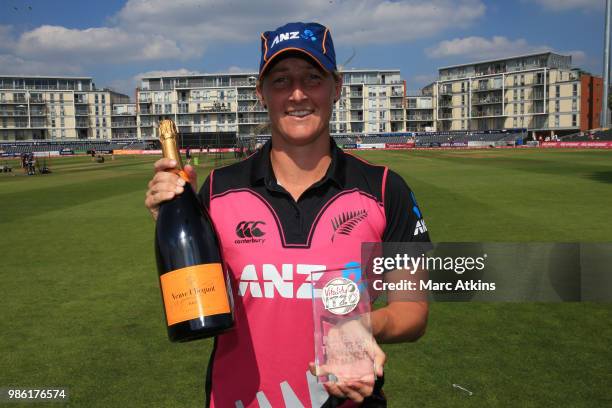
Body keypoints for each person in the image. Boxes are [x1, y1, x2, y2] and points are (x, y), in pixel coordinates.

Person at [145, 22, 430, 407]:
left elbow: (412, 310)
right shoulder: (217, 190)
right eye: (281, 81)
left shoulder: (384, 188)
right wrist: (172, 213)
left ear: (337, 87)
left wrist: (365, 325)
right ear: (262, 93)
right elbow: (198, 292)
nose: (298, 94)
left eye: (312, 78)